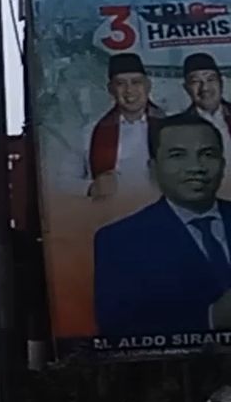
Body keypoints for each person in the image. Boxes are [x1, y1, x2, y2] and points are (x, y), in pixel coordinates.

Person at [94, 110, 231, 335]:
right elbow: (117, 329)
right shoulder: (120, 241)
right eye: (178, 155)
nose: (195, 167)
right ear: (153, 169)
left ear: (223, 165)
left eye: (207, 154)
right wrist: (212, 318)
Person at [86, 51, 165, 200]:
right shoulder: (91, 131)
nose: (129, 91)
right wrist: (91, 188)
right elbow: (61, 180)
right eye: (121, 84)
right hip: (113, 213)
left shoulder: (171, 127)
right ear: (111, 89)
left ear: (148, 85)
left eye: (136, 82)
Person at [182, 53, 231, 187]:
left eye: (210, 79)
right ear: (186, 88)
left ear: (221, 83)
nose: (205, 88)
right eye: (195, 81)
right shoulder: (179, 127)